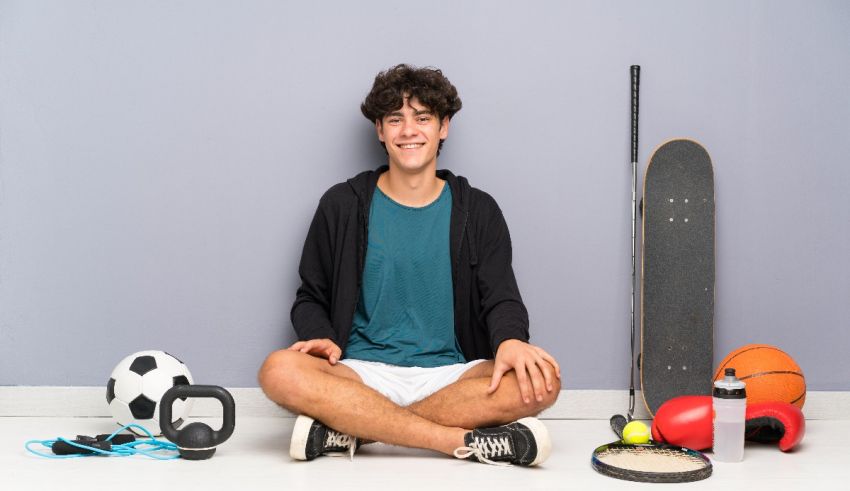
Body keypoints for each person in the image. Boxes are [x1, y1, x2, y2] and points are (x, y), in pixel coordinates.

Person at [259, 64, 561, 467]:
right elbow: (310, 298)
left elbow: (502, 298)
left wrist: (511, 341)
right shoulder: (342, 205)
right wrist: (319, 334)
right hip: (360, 373)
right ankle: (453, 439)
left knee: (543, 383)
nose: (408, 131)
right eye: (395, 119)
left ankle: (353, 428)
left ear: (444, 127)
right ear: (380, 131)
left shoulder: (479, 210)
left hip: (450, 376)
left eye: (422, 118)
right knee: (278, 370)